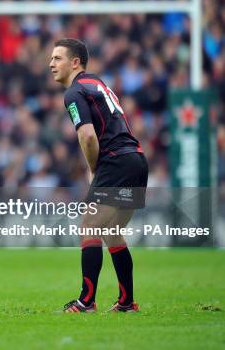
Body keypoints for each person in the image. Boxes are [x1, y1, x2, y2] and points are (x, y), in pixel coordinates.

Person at [49, 38, 148, 313]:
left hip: (116, 162)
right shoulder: (98, 84)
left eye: (57, 58)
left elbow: (88, 136)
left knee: (90, 227)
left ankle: (86, 301)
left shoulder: (73, 92)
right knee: (112, 233)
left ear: (75, 62)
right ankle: (127, 302)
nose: (51, 64)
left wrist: (94, 169)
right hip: (137, 160)